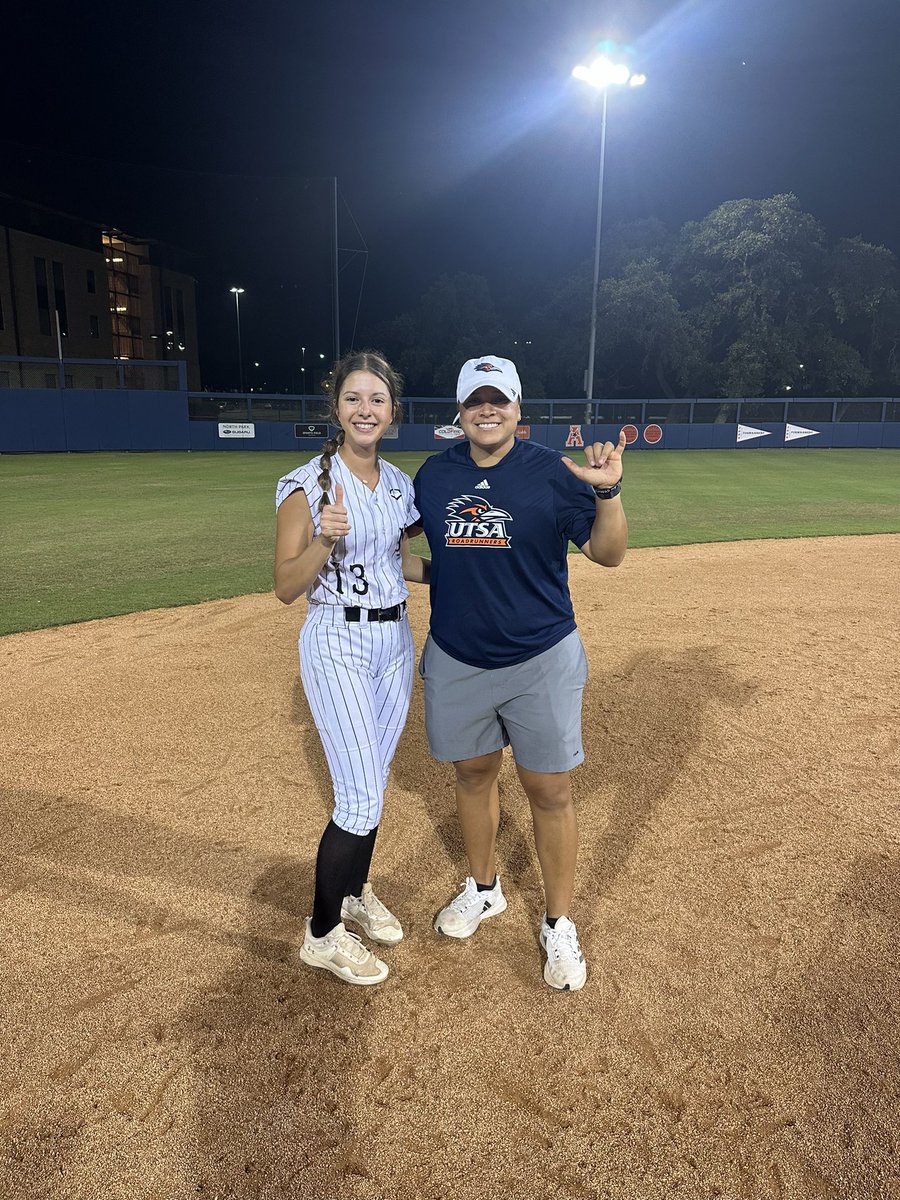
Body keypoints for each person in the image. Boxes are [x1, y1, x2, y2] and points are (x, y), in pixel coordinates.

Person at [411, 355, 628, 992]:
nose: (487, 409)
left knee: (550, 791)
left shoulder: (552, 473)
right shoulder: (433, 475)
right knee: (473, 775)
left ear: (517, 409)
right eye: (475, 400)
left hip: (540, 656)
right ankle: (485, 888)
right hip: (457, 655)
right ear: (459, 410)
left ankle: (558, 922)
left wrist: (608, 492)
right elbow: (407, 546)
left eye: (498, 400)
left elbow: (608, 555)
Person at [274, 350, 428, 986]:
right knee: (360, 796)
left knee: (372, 783)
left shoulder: (398, 484)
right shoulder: (306, 484)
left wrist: (476, 567)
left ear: (392, 412)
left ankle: (353, 893)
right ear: (335, 407)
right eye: (354, 398)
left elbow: (404, 567)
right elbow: (286, 585)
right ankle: (321, 933)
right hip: (338, 639)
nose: (366, 410)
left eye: (378, 400)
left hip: (395, 642)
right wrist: (325, 540)